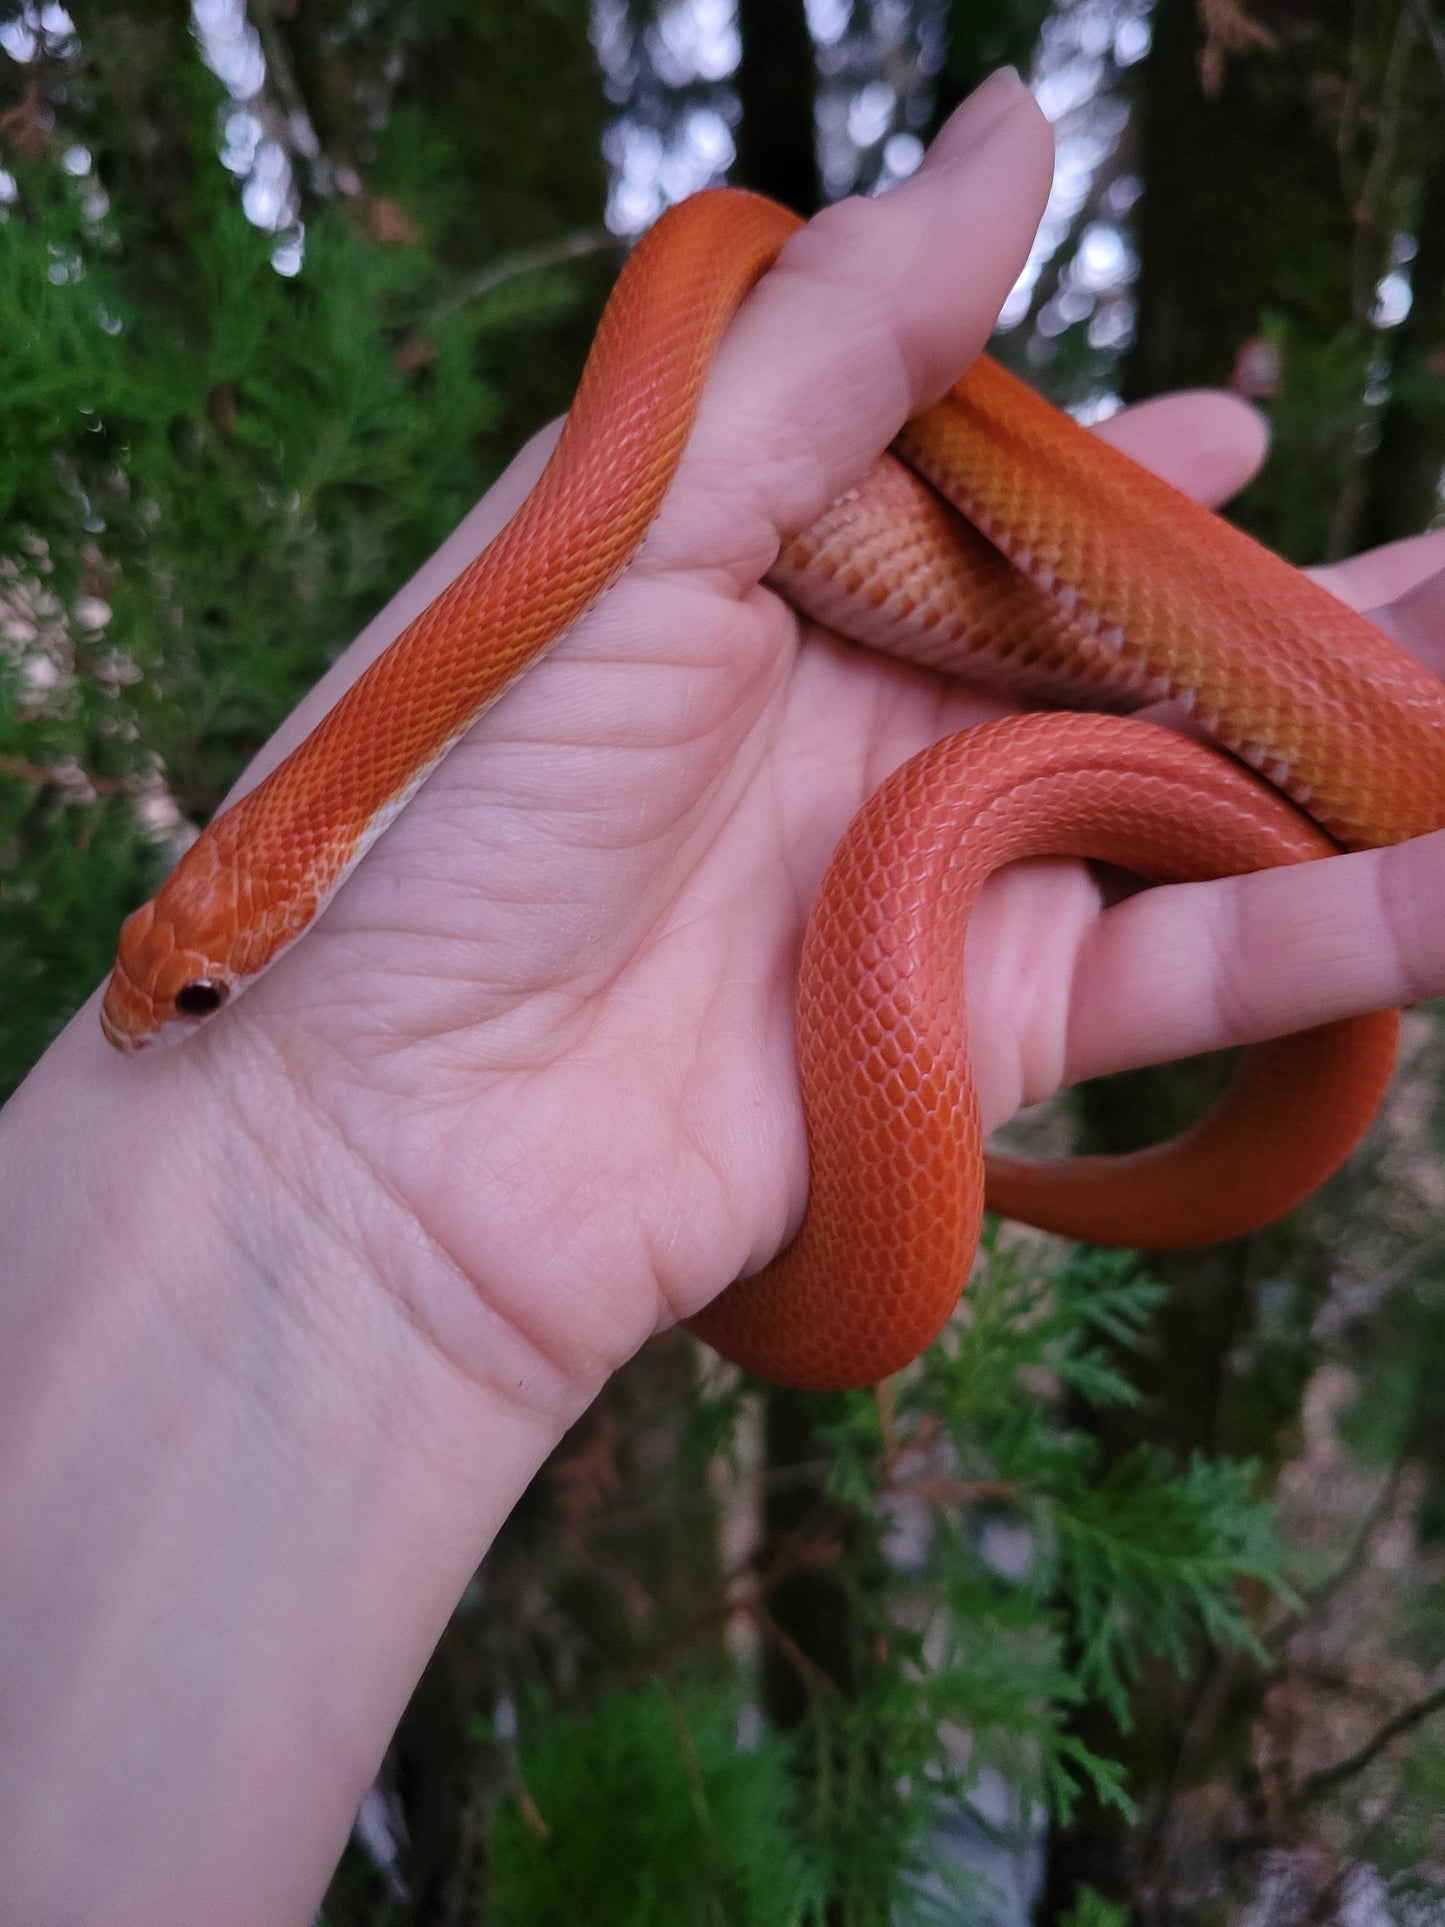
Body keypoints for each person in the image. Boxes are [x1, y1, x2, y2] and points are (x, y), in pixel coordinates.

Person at [2, 70, 1443, 1923]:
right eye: (194, 987)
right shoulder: (332, 825)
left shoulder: (445, 688)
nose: (162, 1011)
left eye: (196, 987)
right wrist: (336, 1192)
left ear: (277, 877)